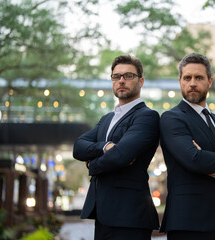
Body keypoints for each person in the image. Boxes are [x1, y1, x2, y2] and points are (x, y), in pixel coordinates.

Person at [159, 52, 215, 240]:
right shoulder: (171, 118)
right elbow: (194, 159)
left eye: (199, 77)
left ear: (210, 81)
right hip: (187, 219)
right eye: (187, 77)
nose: (192, 83)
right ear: (180, 81)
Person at [73, 55, 160, 240]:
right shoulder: (106, 119)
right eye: (116, 76)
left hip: (130, 215)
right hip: (103, 214)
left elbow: (121, 155)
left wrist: (92, 165)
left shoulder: (147, 117)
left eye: (128, 76)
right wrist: (105, 146)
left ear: (141, 81)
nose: (121, 80)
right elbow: (78, 147)